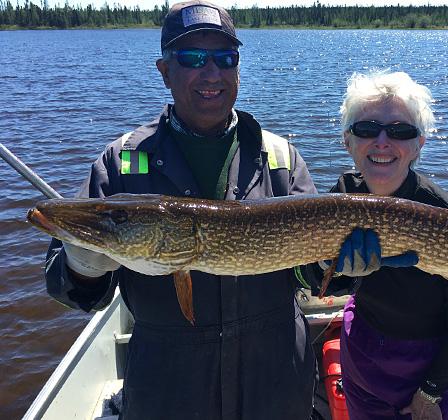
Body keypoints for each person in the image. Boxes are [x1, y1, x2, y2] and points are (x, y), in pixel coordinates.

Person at [42, 2, 323, 419]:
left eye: (225, 58)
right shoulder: (121, 162)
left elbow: (311, 272)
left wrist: (346, 267)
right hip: (170, 393)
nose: (211, 73)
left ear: (238, 68)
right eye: (192, 58)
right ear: (165, 71)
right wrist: (82, 266)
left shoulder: (280, 156)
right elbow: (68, 290)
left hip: (276, 386)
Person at [326, 71, 448, 420]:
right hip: (364, 347)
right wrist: (330, 268)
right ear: (348, 142)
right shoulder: (343, 196)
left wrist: (431, 390)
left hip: (437, 361)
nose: (382, 141)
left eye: (400, 131)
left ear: (418, 144)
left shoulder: (445, 216)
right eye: (367, 129)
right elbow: (329, 281)